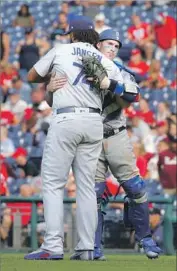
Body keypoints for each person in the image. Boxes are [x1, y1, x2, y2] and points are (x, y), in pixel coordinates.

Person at [46, 28, 161, 260]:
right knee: (94, 193)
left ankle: (146, 240)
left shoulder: (118, 70)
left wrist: (108, 82)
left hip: (115, 134)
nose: (113, 48)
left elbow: (134, 95)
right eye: (109, 43)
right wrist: (50, 89)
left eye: (117, 46)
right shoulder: (75, 67)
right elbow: (56, 101)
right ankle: (94, 247)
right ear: (97, 45)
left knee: (136, 188)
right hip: (92, 138)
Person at [24, 17, 124, 261]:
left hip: (66, 119)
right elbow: (121, 91)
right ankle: (87, 247)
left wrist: (49, 83)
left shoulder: (61, 50)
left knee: (53, 183)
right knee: (87, 187)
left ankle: (53, 246)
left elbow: (31, 76)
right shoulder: (103, 58)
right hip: (93, 122)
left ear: (71, 34)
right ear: (94, 37)